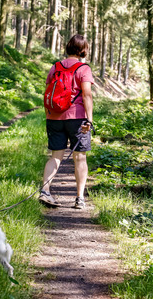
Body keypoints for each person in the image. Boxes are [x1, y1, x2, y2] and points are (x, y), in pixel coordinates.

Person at [39, 34, 94, 209]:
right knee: (80, 157)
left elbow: (47, 91)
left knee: (55, 156)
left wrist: (49, 113)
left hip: (54, 117)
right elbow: (86, 94)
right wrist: (89, 119)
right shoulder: (83, 68)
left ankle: (45, 191)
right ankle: (79, 198)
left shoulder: (55, 67)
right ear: (83, 50)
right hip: (77, 118)